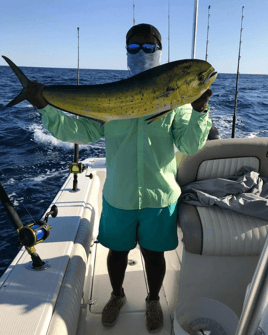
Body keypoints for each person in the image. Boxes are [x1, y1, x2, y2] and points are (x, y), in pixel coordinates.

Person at [26, 23, 213, 333]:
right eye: (134, 47)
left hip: (159, 197)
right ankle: (117, 295)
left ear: (159, 52)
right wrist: (47, 109)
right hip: (119, 195)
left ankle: (153, 299)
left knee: (154, 255)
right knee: (117, 252)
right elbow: (77, 131)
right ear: (126, 52)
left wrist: (199, 110)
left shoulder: (179, 103)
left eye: (148, 47)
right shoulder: (112, 97)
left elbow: (191, 145)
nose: (141, 52)